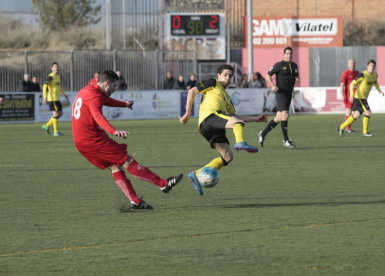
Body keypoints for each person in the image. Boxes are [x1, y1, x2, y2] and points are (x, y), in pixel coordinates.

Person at [72, 70, 183, 210]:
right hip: (92, 139)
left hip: (81, 140)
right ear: (107, 83)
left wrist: (123, 104)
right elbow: (97, 115)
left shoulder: (89, 89)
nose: (115, 89)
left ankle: (135, 202)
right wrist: (114, 131)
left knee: (114, 166)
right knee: (126, 160)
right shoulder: (95, 97)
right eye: (113, 85)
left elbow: (103, 100)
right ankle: (163, 184)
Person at [179, 64, 268, 196]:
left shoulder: (227, 97)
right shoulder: (213, 83)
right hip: (210, 117)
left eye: (230, 76)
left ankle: (196, 174)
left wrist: (256, 119)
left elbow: (235, 116)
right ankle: (240, 143)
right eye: (225, 75)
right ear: (218, 75)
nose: (228, 78)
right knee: (238, 124)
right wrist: (187, 114)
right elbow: (192, 91)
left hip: (210, 127)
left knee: (228, 157)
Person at [257, 47, 300, 148]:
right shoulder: (279, 65)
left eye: (291, 54)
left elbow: (296, 75)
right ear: (284, 54)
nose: (289, 55)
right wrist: (272, 84)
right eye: (287, 53)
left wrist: (297, 78)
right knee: (285, 115)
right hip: (281, 92)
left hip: (289, 93)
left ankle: (262, 134)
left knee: (279, 117)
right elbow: (268, 75)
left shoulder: (294, 66)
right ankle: (286, 140)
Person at [336, 59, 384, 137]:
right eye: (370, 65)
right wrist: (351, 95)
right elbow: (352, 84)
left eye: (373, 66)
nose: (372, 67)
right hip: (360, 97)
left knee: (356, 116)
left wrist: (379, 91)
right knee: (368, 113)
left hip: (364, 97)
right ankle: (365, 132)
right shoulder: (362, 74)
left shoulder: (375, 74)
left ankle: (341, 127)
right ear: (367, 66)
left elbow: (375, 82)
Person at [42, 62, 69, 136]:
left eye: (57, 67)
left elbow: (58, 87)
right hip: (52, 99)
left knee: (60, 113)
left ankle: (47, 125)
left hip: (57, 98)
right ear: (52, 68)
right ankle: (55, 131)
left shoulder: (58, 76)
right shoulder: (50, 76)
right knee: (56, 114)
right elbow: (45, 86)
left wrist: (64, 94)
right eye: (55, 67)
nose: (56, 68)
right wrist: (45, 97)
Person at [340, 59, 359, 133]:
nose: (352, 64)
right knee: (348, 111)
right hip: (348, 95)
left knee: (357, 111)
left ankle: (346, 126)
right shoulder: (346, 73)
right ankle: (348, 128)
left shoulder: (357, 73)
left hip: (356, 95)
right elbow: (342, 85)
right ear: (348, 64)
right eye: (351, 63)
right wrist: (342, 96)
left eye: (354, 63)